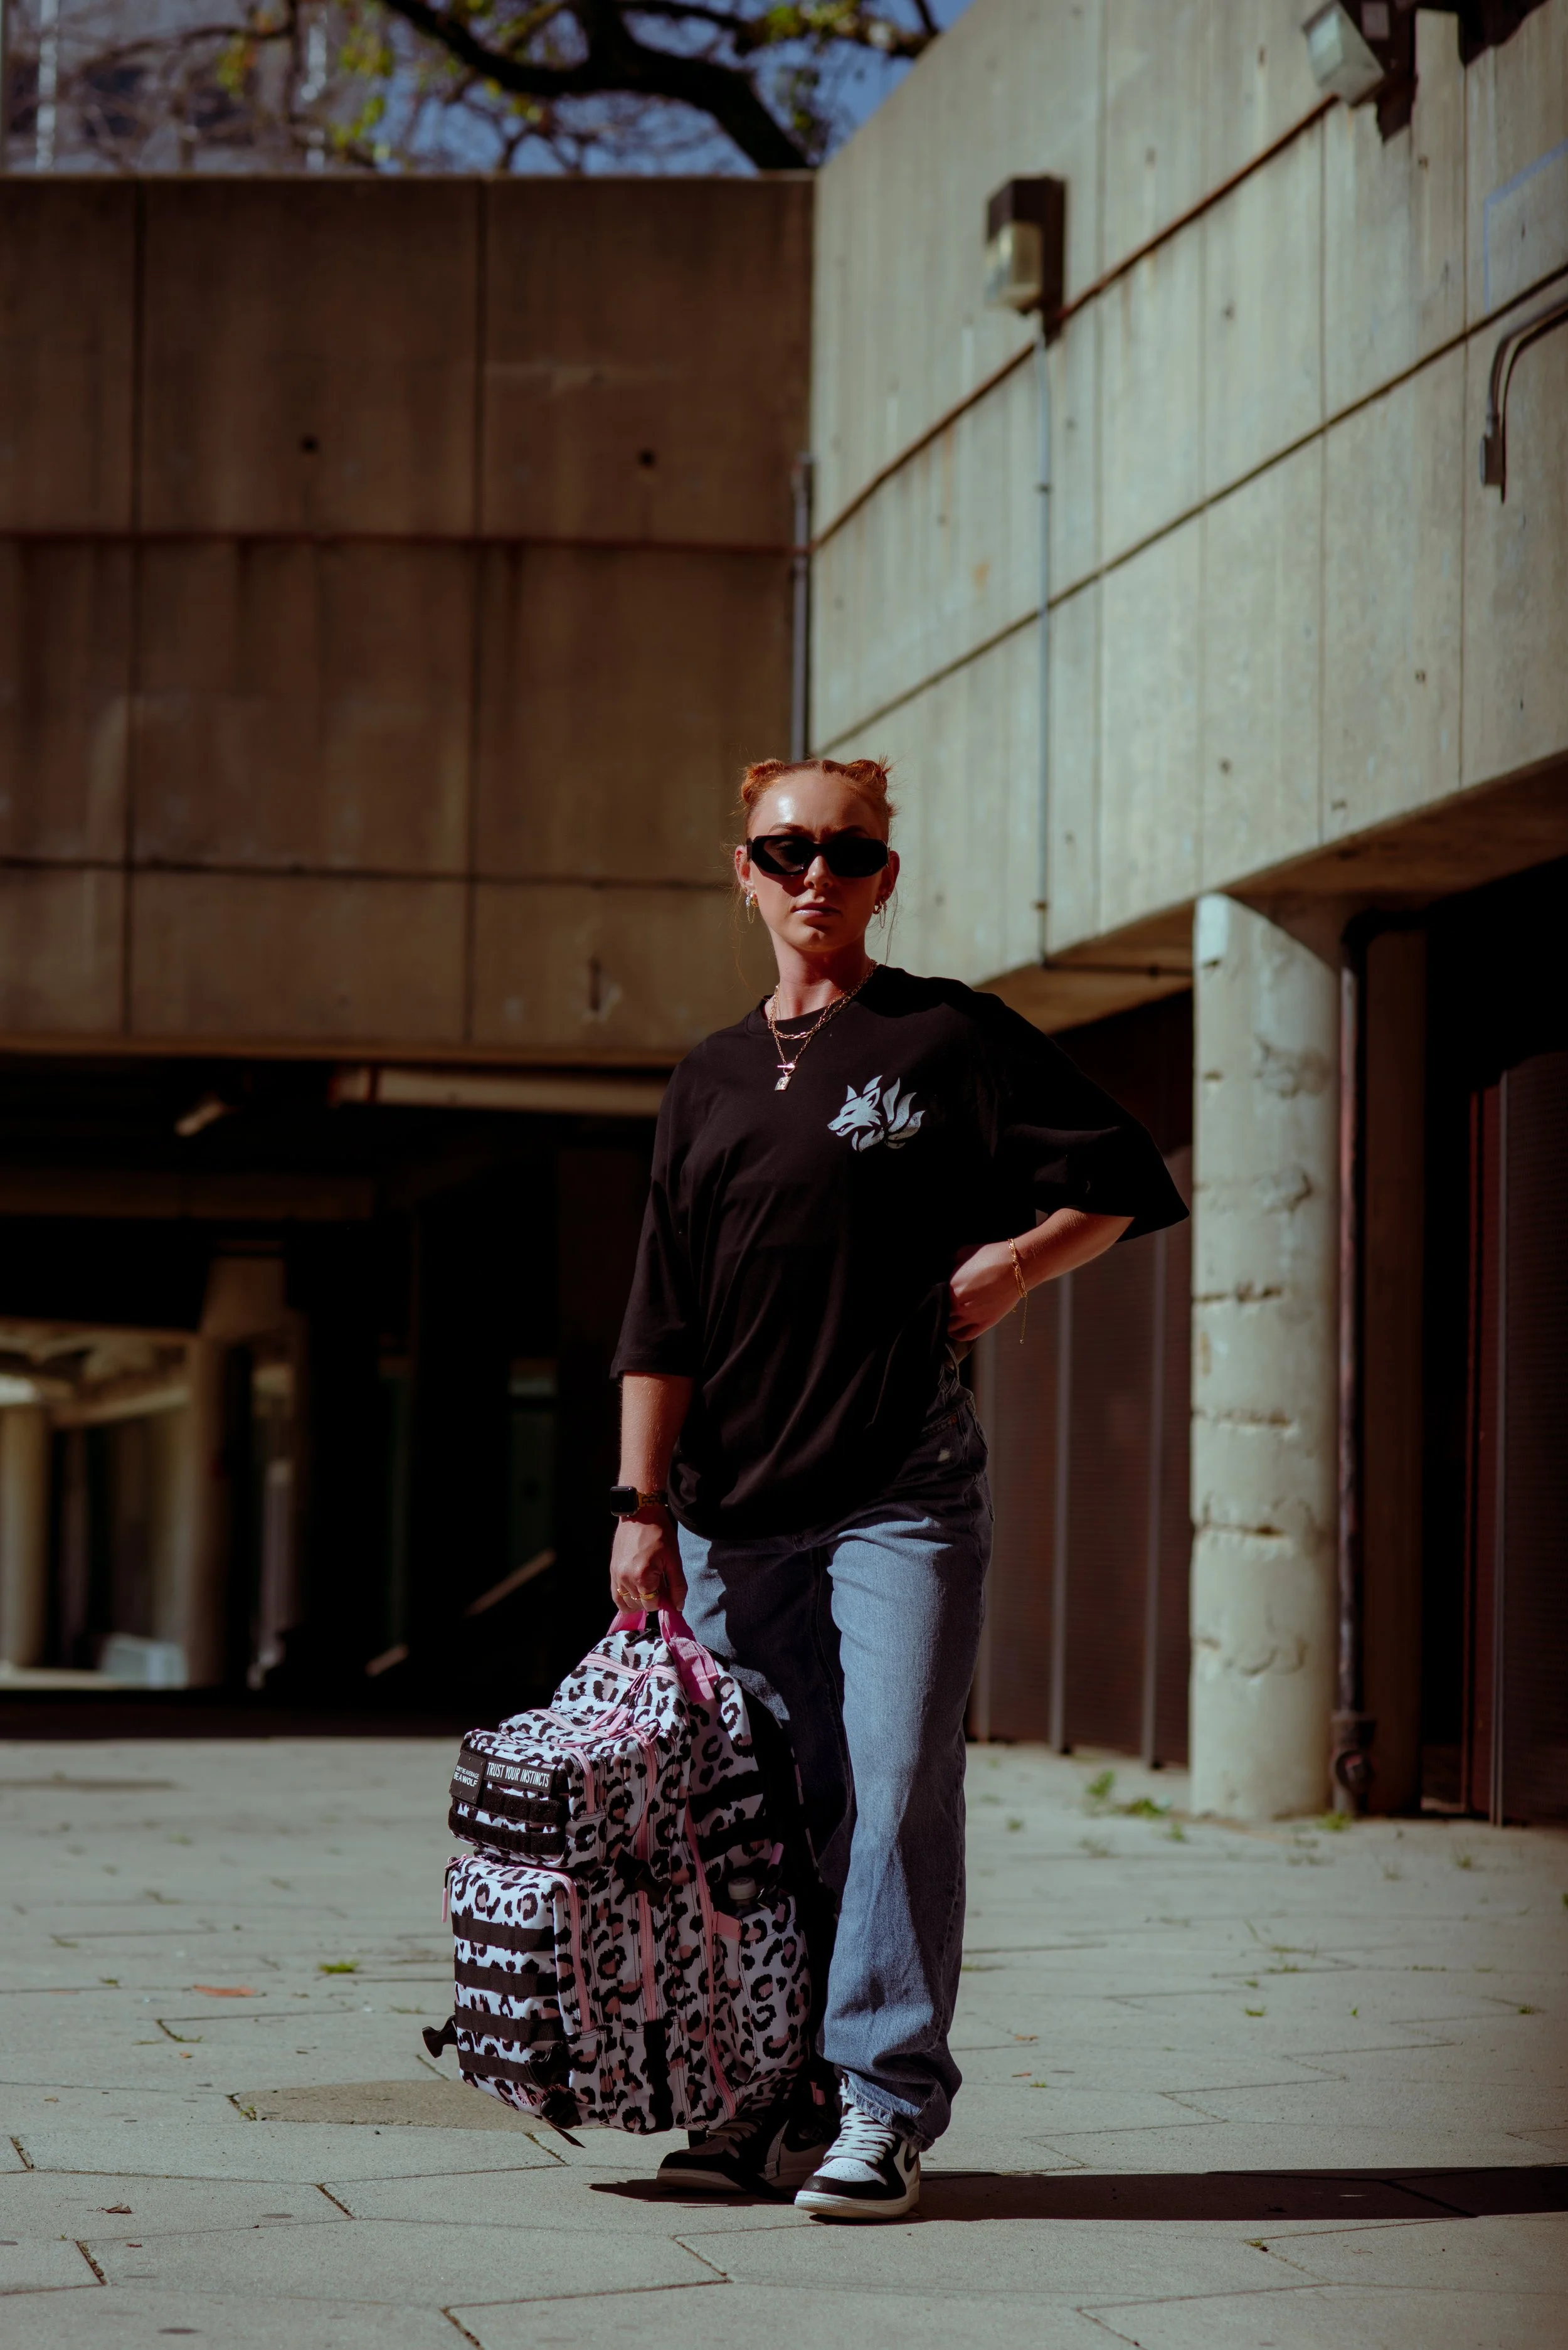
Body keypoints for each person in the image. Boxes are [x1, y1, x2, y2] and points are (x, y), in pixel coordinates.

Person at [607, 755, 1187, 2220]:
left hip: (897, 1488)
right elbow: (660, 1310)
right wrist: (638, 1505)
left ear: (885, 874)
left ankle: (880, 2103)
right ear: (739, 869)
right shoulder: (708, 1076)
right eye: (785, 849)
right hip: (737, 1506)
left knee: (896, 1779)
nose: (816, 875)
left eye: (847, 853)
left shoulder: (941, 1034)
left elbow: (1118, 1171)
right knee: (763, 1808)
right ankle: (760, 2097)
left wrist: (1015, 1261)